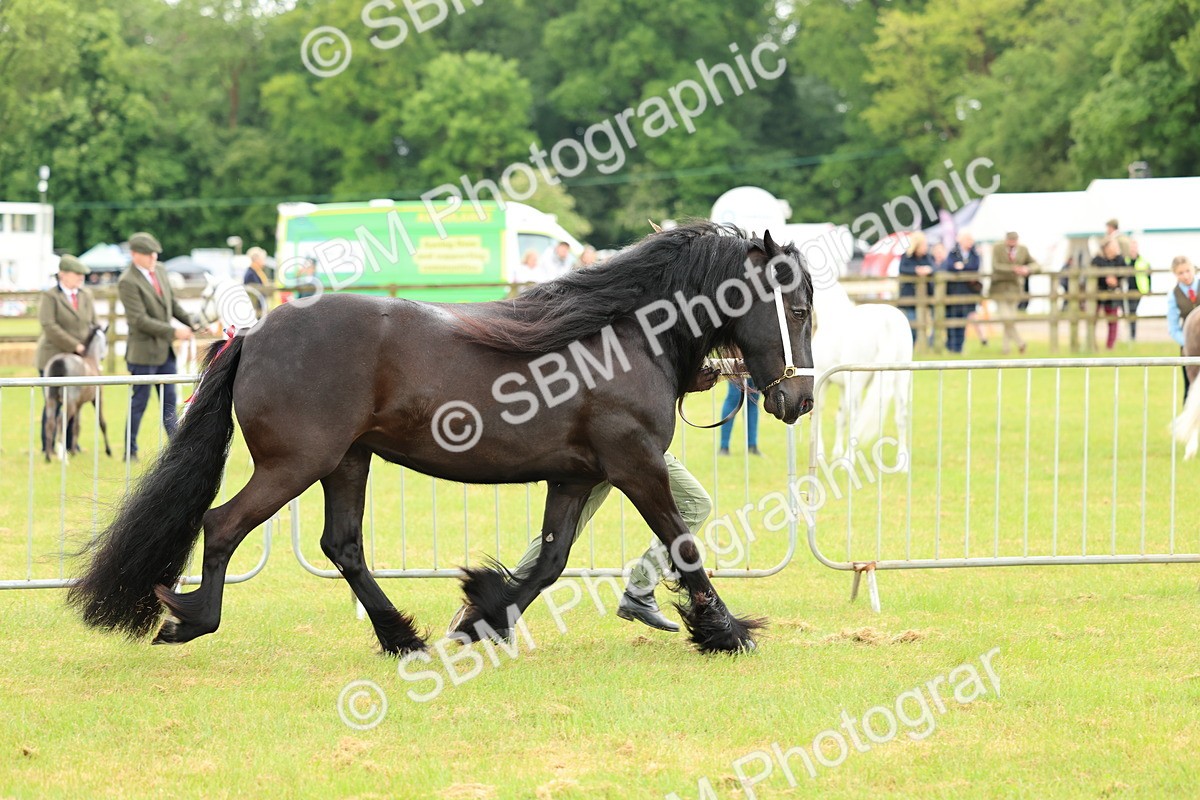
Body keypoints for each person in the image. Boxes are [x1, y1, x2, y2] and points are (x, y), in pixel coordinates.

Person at [448, 365, 722, 635]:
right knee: (694, 504)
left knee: (561, 534)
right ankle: (639, 589)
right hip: (620, 440)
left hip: (615, 436)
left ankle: (498, 611)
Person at [117, 231, 199, 460]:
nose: (153, 257)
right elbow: (139, 320)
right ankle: (130, 450)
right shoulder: (127, 281)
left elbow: (172, 304)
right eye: (148, 254)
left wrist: (192, 323)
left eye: (155, 253)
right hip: (143, 354)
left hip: (165, 352)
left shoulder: (160, 271)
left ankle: (177, 448)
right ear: (135, 255)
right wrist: (174, 331)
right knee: (139, 403)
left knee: (169, 402)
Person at [35, 254, 99, 454]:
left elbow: (93, 324)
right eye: (76, 274)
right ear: (62, 275)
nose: (81, 278)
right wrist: (74, 345)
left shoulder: (85, 296)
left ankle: (71, 443)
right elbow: (49, 325)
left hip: (79, 361)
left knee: (75, 401)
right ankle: (49, 445)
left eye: (82, 275)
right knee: (53, 402)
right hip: (53, 358)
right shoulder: (50, 297)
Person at [989, 231, 1039, 354]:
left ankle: (1005, 349)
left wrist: (1027, 269)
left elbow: (1036, 265)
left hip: (1015, 289)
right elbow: (996, 266)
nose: (1012, 243)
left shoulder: (1023, 250)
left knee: (1010, 319)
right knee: (1006, 318)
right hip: (999, 289)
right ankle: (1020, 342)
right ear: (1006, 240)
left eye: (1014, 240)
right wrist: (1013, 269)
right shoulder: (997, 248)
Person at [940, 231, 981, 354]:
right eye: (968, 240)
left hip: (967, 293)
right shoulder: (953, 253)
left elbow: (975, 266)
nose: (970, 243)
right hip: (953, 293)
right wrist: (962, 267)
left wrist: (962, 267)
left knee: (963, 322)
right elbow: (949, 266)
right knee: (951, 320)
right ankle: (950, 346)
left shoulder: (974, 254)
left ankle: (958, 347)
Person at [1166, 256, 1199, 396]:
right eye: (1180, 273)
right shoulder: (1174, 295)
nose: (1185, 276)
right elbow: (1173, 328)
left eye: (1188, 271)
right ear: (1175, 274)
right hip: (1190, 348)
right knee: (1190, 389)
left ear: (1193, 270)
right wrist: (1188, 343)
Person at [897, 231, 934, 345]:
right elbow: (902, 269)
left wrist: (928, 270)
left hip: (926, 296)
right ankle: (910, 345)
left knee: (930, 323)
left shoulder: (927, 257)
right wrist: (916, 270)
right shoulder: (906, 257)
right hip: (909, 297)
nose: (925, 247)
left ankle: (928, 345)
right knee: (912, 324)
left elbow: (934, 268)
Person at [1091, 237, 1126, 350]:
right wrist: (1106, 279)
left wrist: (1115, 280)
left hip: (1113, 294)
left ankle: (1110, 346)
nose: (1116, 248)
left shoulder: (1120, 259)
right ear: (1106, 248)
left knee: (1112, 320)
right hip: (1097, 294)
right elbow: (1092, 274)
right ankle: (1092, 344)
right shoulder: (1097, 259)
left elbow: (1125, 272)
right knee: (1092, 319)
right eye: (1113, 246)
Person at [719, 378, 760, 455]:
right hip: (736, 369)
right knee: (733, 399)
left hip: (756, 369)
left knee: (753, 402)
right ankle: (724, 446)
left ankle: (752, 445)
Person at [1127, 240, 1150, 341]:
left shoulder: (1142, 261)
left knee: (1132, 311)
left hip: (1138, 289)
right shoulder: (1126, 261)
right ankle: (1130, 334)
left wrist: (1149, 288)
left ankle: (1132, 335)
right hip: (1126, 290)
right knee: (1128, 312)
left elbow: (1149, 275)